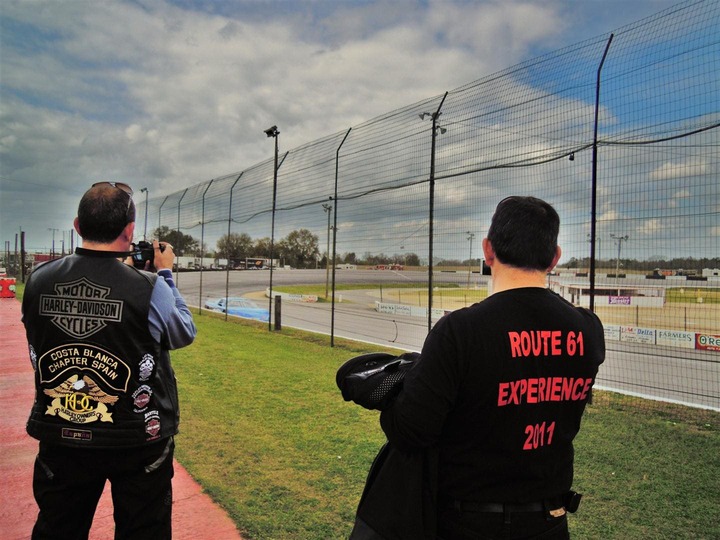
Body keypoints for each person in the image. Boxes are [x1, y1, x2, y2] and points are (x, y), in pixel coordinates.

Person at [379, 196, 605, 539]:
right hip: (549, 523)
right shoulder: (588, 328)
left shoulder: (459, 331)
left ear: (488, 250)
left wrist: (389, 392)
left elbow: (411, 432)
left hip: (466, 523)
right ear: (554, 257)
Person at [22, 182, 197, 540]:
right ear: (129, 231)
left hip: (61, 429)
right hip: (136, 437)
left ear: (77, 225)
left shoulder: (37, 280)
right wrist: (163, 274)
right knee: (142, 530)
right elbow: (182, 333)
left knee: (58, 528)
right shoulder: (149, 285)